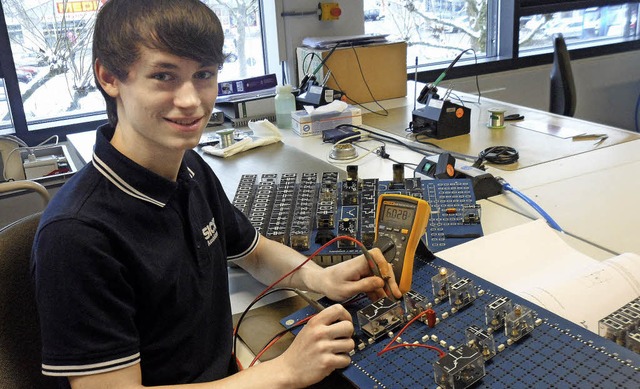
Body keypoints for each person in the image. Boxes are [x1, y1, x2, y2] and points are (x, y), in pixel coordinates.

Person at [31, 1, 400, 388]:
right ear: (109, 77)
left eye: (204, 74)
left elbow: (253, 252)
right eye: (164, 76)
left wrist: (321, 278)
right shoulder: (76, 236)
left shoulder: (190, 169)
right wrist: (285, 372)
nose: (191, 100)